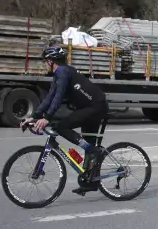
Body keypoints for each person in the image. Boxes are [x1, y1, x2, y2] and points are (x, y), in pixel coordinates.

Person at [21, 45, 108, 194]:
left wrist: (47, 118)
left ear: (50, 61)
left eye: (45, 62)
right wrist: (34, 117)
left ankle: (94, 152)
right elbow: (50, 97)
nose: (45, 64)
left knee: (61, 127)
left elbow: (58, 97)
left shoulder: (62, 72)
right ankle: (91, 182)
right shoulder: (61, 72)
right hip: (90, 106)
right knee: (89, 145)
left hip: (95, 107)